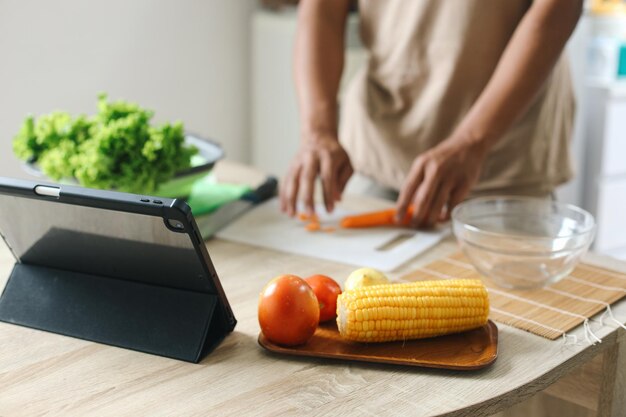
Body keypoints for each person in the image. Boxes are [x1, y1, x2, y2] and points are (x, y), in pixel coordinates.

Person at [279, 0, 582, 227]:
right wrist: (317, 131)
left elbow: (557, 10)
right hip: (378, 155)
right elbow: (322, 10)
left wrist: (472, 140)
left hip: (505, 165)